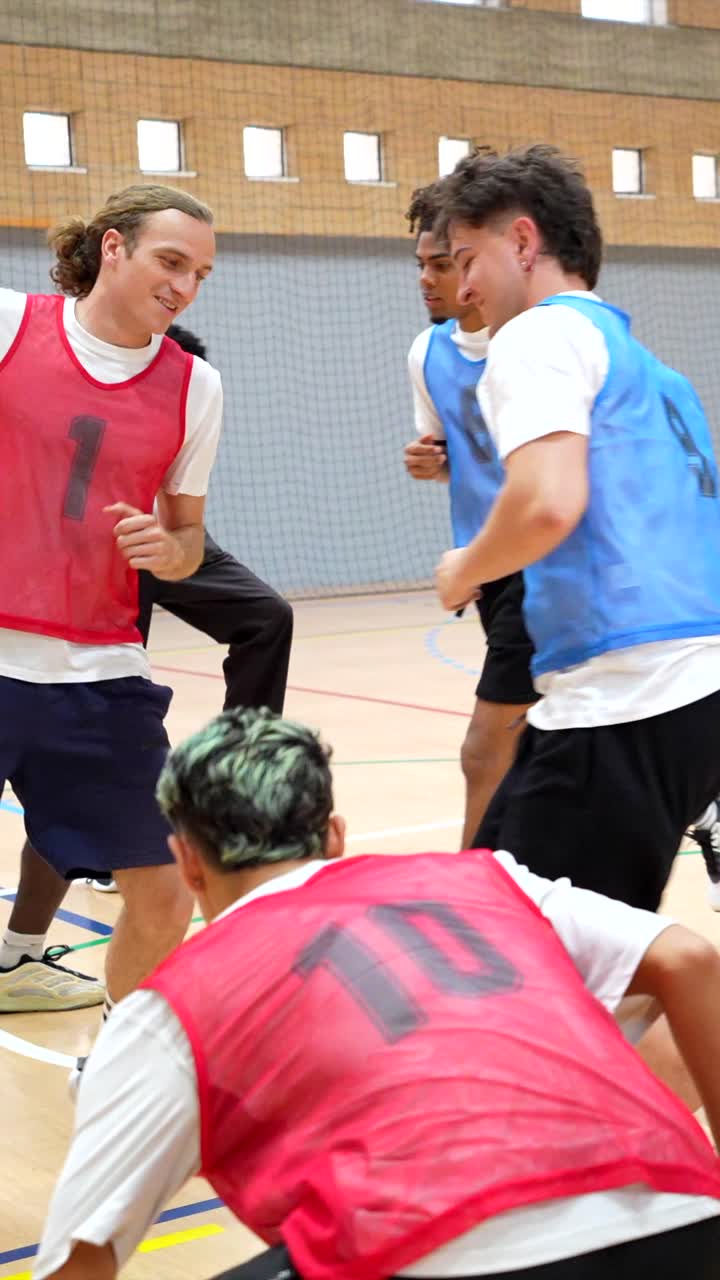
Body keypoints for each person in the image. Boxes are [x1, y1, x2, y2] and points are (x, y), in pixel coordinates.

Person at [34, 707, 720, 1280]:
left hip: (438, 1253)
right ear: (334, 836)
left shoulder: (173, 1005)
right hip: (686, 1222)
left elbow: (78, 1260)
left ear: (186, 859)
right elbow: (690, 959)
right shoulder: (489, 882)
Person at [432, 144, 720, 914]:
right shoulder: (654, 370)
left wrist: (465, 568)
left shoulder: (536, 336)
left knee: (525, 955)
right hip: (691, 692)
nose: (462, 286)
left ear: (523, 243)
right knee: (583, 951)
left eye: (468, 257)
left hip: (624, 698)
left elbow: (547, 503)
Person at [0, 185, 221, 1040]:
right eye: (173, 262)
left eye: (200, 274)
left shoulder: (195, 387)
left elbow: (190, 532)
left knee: (166, 893)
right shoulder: (14, 324)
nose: (186, 286)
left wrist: (174, 553)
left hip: (100, 674)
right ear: (113, 249)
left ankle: (121, 1064)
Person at [404, 182, 538, 846]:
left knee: (486, 747)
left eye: (442, 262)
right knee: (550, 730)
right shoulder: (427, 354)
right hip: (489, 564)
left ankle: (475, 894)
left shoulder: (536, 341)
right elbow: (461, 455)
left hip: (544, 558)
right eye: (421, 265)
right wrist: (435, 462)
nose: (428, 278)